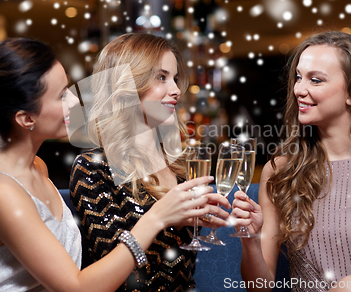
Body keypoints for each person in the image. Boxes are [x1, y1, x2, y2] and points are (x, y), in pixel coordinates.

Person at [0, 37, 220, 292]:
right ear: (27, 119)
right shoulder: (0, 193)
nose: (75, 100)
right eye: (62, 95)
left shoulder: (37, 167)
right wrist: (157, 217)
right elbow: (77, 288)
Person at [232, 31, 351, 292]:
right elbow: (259, 287)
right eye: (298, 77)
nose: (299, 89)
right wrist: (250, 240)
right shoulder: (280, 170)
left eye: (316, 80)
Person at [69, 32, 231, 291]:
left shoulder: (178, 164)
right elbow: (112, 279)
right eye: (161, 77)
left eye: (175, 78)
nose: (176, 90)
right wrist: (161, 217)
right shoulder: (93, 167)